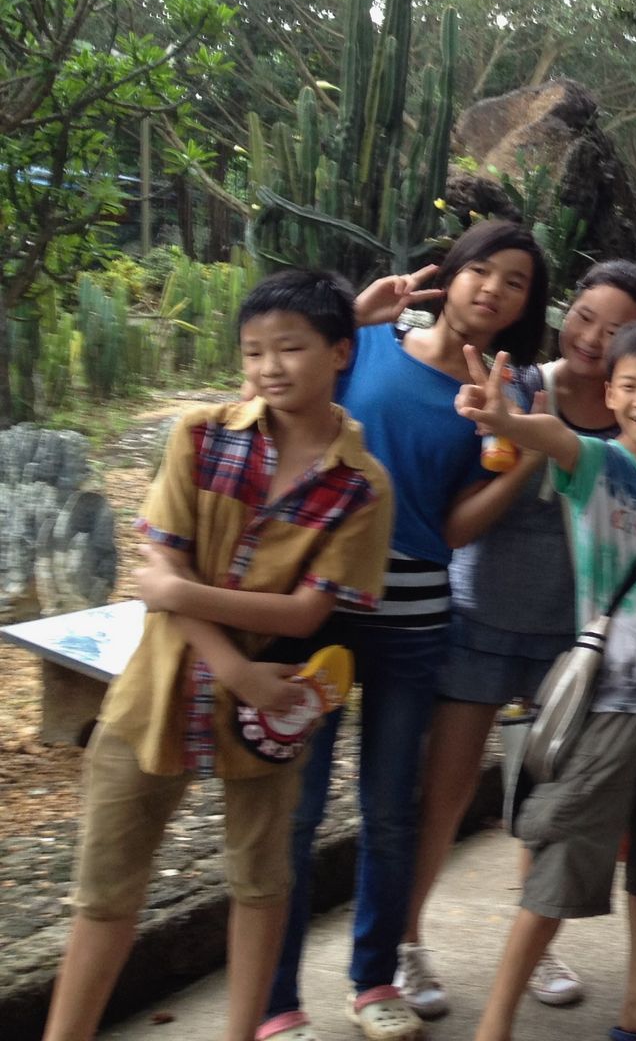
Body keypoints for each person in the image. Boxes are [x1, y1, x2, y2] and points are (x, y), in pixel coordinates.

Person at [42, 270, 392, 1041]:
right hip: (157, 694)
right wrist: (232, 663)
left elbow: (305, 609)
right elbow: (152, 569)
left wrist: (180, 594)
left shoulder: (362, 488)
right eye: (254, 351)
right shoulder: (199, 435)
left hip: (272, 717)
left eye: (290, 347)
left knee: (261, 883)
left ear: (341, 351)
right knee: (103, 894)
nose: (269, 366)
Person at [263, 220, 551, 1041]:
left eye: (515, 281)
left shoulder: (503, 392)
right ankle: (276, 999)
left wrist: (522, 450)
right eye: (480, 270)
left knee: (392, 808)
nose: (491, 288)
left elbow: (455, 528)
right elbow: (275, 396)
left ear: (525, 305)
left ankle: (373, 981)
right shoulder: (367, 346)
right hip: (315, 601)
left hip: (416, 609)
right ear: (450, 274)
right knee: (296, 808)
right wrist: (349, 319)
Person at [396, 261, 636, 1018]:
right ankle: (406, 944)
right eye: (585, 316)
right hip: (480, 616)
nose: (593, 338)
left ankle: (534, 942)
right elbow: (460, 508)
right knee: (445, 792)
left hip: (568, 638)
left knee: (543, 801)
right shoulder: (514, 384)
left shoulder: (631, 414)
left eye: (616, 330)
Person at [457, 318, 636, 1041]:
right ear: (609, 394)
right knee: (564, 858)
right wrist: (508, 420)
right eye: (630, 386)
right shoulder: (597, 467)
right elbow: (553, 439)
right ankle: (494, 1024)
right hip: (609, 704)